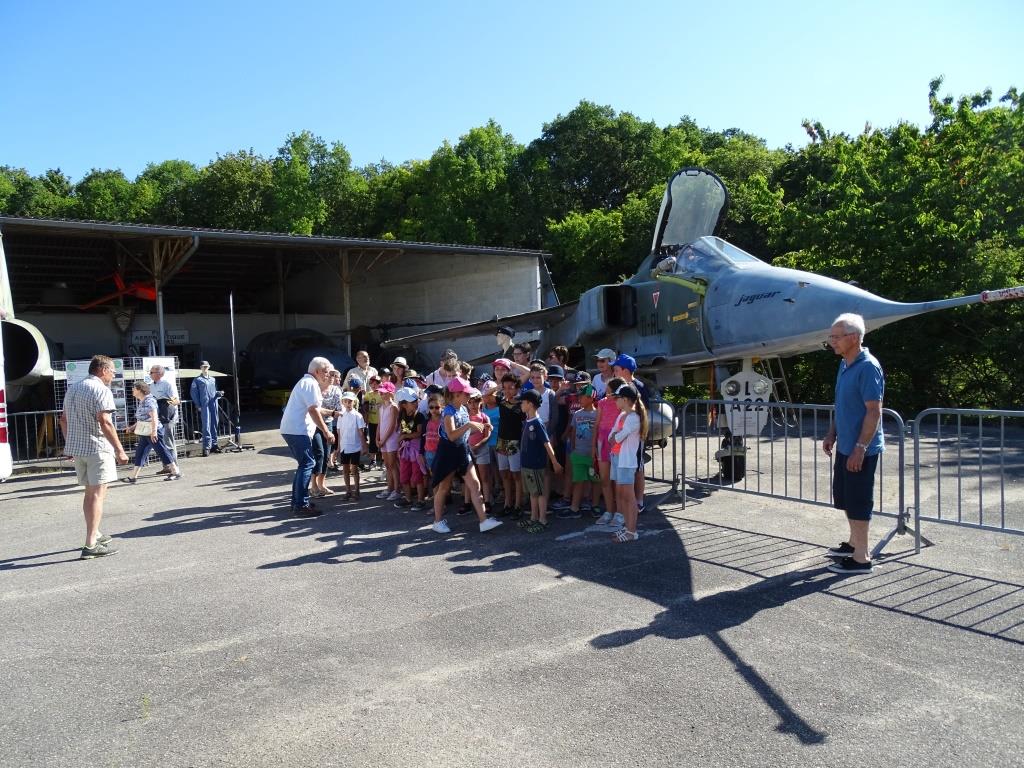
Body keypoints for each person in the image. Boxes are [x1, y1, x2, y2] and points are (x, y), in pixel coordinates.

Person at [823, 313, 885, 574]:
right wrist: (832, 433)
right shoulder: (845, 364)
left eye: (836, 337)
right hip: (846, 445)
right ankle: (853, 543)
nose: (832, 342)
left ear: (854, 338)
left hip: (862, 449)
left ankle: (862, 558)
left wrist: (860, 449)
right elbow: (842, 405)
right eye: (831, 337)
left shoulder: (868, 366)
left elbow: (874, 411)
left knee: (859, 502)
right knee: (846, 498)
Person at [59, 355, 129, 559]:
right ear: (103, 370)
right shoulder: (100, 390)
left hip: (78, 449)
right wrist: (119, 449)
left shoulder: (73, 388)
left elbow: (63, 420)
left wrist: (69, 444)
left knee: (90, 494)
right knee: (98, 495)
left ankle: (95, 533)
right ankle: (90, 544)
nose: (113, 375)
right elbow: (105, 421)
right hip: (97, 448)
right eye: (112, 371)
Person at [429, 377, 503, 535]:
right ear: (456, 394)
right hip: (448, 452)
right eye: (466, 394)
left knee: (475, 485)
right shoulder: (448, 412)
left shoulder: (462, 409)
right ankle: (437, 521)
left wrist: (481, 427)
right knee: (443, 488)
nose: (469, 397)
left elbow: (464, 433)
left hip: (462, 450)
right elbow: (451, 436)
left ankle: (483, 521)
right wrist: (469, 425)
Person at [280, 357, 336, 517]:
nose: (327, 375)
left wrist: (333, 413)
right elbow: (313, 410)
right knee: (308, 463)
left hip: (292, 429)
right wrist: (326, 431)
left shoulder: (306, 382)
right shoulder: (310, 384)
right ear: (317, 371)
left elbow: (316, 409)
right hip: (298, 430)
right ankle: (301, 505)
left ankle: (297, 502)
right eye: (325, 372)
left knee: (304, 465)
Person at [517, 388, 563, 533]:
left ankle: (542, 519)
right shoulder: (527, 421)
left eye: (523, 402)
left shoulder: (537, 423)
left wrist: (554, 462)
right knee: (533, 492)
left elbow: (546, 443)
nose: (521, 405)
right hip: (527, 464)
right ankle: (533, 518)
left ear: (530, 404)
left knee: (540, 493)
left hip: (537, 464)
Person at [608, 385, 647, 542]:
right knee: (622, 496)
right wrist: (615, 435)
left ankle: (632, 531)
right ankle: (627, 527)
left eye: (618, 398)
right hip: (617, 458)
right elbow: (611, 435)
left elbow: (616, 438)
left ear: (625, 400)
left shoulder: (633, 418)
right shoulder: (622, 415)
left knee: (629, 497)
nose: (615, 401)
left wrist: (615, 436)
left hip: (626, 461)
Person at [121, 381, 182, 483]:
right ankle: (133, 477)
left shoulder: (149, 401)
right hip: (146, 432)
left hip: (153, 431)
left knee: (162, 451)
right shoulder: (143, 400)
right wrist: (132, 427)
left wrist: (154, 432)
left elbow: (154, 416)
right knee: (140, 453)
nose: (132, 390)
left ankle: (176, 472)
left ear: (140, 390)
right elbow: (143, 418)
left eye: (134, 389)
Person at [557, 383, 598, 519]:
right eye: (579, 397)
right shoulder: (577, 414)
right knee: (578, 480)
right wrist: (573, 449)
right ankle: (574, 508)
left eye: (582, 397)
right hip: (579, 453)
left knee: (594, 481)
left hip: (593, 455)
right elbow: (573, 433)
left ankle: (594, 505)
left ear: (591, 398)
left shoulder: (598, 414)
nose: (579, 399)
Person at [593, 376, 625, 524]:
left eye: (609, 392)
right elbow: (597, 425)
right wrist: (593, 445)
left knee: (618, 480)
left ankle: (620, 512)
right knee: (605, 479)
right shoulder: (602, 403)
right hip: (602, 442)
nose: (606, 394)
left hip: (617, 443)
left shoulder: (623, 405)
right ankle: (609, 511)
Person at [495, 372, 526, 517]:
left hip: (515, 442)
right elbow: (485, 395)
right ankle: (507, 503)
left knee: (516, 475)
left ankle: (518, 505)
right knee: (505, 475)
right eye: (505, 387)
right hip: (501, 442)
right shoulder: (501, 402)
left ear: (517, 388)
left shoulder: (521, 405)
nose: (508, 390)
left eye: (511, 387)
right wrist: (499, 386)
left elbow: (525, 374)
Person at [395, 387, 428, 511]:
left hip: (415, 448)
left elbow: (419, 433)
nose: (416, 403)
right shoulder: (401, 415)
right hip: (405, 450)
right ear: (403, 404)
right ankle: (408, 499)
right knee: (404, 475)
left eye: (416, 400)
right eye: (412, 401)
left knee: (417, 475)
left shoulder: (419, 416)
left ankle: (420, 500)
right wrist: (400, 443)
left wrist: (404, 436)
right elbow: (401, 431)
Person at [148, 363, 180, 471]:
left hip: (167, 416)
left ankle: (174, 467)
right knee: (161, 443)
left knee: (168, 442)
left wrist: (164, 401)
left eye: (151, 372)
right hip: (157, 417)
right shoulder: (150, 386)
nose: (150, 374)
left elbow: (176, 401)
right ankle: (166, 466)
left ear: (159, 374)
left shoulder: (168, 384)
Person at [336, 391, 368, 501]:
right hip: (344, 446)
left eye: (350, 401)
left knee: (354, 469)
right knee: (345, 469)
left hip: (355, 446)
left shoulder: (358, 416)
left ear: (354, 402)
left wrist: (364, 446)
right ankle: (348, 491)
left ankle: (357, 491)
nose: (348, 403)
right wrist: (338, 447)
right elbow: (339, 432)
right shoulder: (341, 415)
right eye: (345, 401)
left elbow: (361, 432)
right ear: (342, 403)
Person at [374, 381, 401, 501]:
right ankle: (390, 488)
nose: (381, 394)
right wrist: (377, 438)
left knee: (393, 464)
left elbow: (392, 426)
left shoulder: (394, 407)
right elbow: (379, 424)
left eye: (384, 393)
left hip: (391, 439)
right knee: (387, 465)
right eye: (381, 392)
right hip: (383, 440)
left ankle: (397, 490)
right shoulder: (381, 407)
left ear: (391, 393)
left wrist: (383, 439)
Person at [190, 361, 221, 456]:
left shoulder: (213, 379)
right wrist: (198, 404)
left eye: (207, 366)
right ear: (200, 367)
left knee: (215, 423)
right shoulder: (197, 380)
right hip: (204, 405)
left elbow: (215, 391)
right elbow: (193, 393)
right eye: (203, 366)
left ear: (209, 367)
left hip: (213, 404)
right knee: (206, 425)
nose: (205, 368)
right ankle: (207, 447)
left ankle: (214, 445)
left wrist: (218, 394)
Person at [362, 375, 383, 470]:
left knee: (382, 440)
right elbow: (365, 406)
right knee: (372, 441)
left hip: (382, 421)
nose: (374, 385)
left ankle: (383, 460)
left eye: (376, 383)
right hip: (372, 421)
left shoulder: (382, 394)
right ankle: (373, 460)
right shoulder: (368, 394)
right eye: (372, 384)